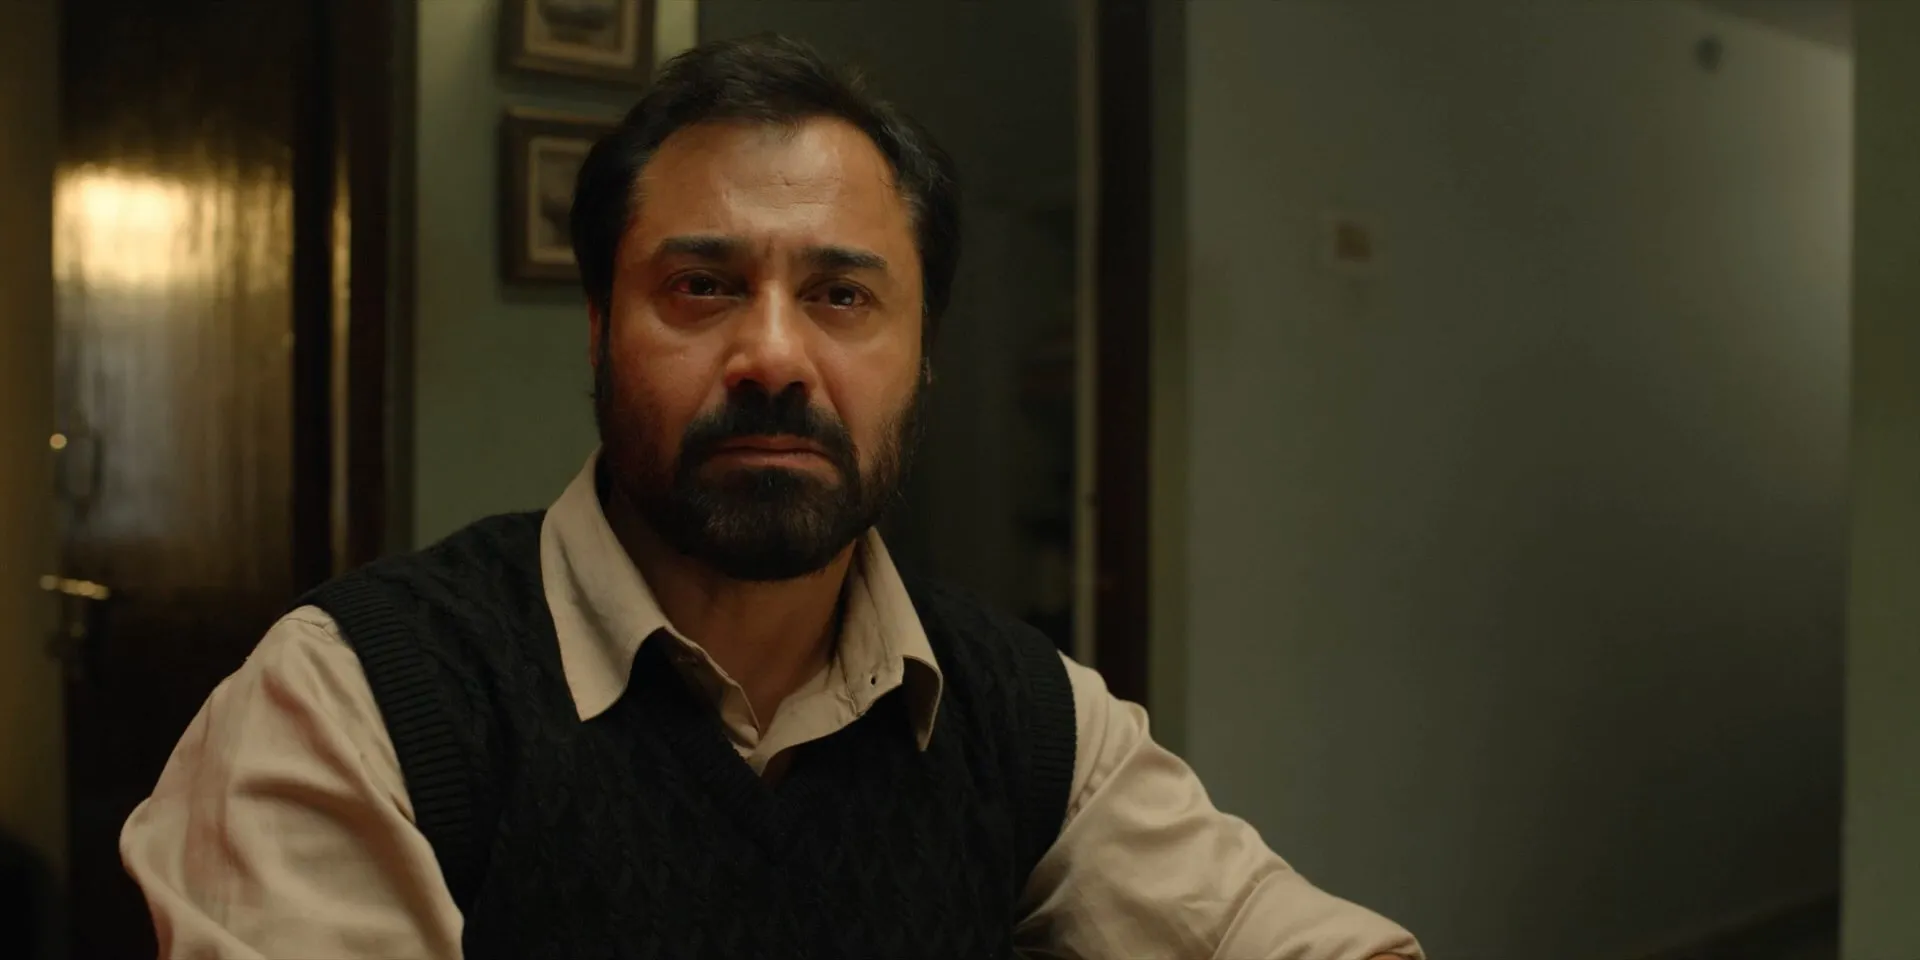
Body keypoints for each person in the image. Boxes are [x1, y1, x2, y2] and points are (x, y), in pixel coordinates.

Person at [120, 34, 1423, 960]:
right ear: (598, 330)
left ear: (923, 354)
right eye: (702, 287)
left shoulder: (1033, 722)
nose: (775, 357)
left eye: (843, 296)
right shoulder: (353, 702)